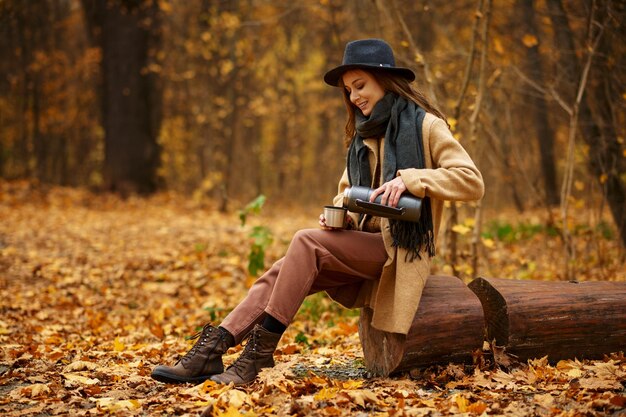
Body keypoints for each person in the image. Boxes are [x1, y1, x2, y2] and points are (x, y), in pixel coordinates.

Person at [151, 38, 484, 386]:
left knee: (305, 243)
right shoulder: (363, 134)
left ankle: (258, 356)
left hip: (399, 249)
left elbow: (472, 181)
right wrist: (338, 215)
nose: (354, 97)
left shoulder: (426, 126)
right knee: (282, 270)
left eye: (360, 86)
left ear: (385, 81)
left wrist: (411, 180)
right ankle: (214, 348)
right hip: (362, 245)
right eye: (348, 90)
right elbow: (347, 195)